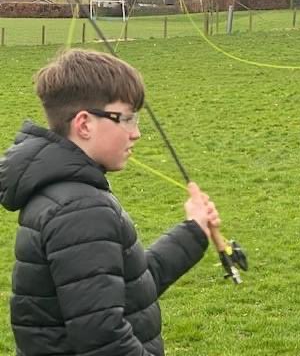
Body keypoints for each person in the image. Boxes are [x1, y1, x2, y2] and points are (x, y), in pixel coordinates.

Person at [0, 49, 220, 355]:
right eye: (126, 119)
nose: (137, 133)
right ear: (84, 124)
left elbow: (125, 288)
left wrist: (193, 231)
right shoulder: (80, 209)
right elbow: (104, 340)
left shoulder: (63, 194)